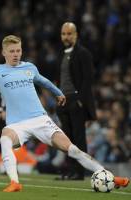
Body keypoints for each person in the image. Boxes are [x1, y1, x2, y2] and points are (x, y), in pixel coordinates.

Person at [0, 35, 129, 192]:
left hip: (41, 119)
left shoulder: (29, 67)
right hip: (18, 124)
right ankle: (15, 182)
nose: (16, 54)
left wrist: (58, 93)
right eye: (12, 51)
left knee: (73, 150)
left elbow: (43, 81)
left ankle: (109, 176)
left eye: (18, 50)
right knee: (5, 138)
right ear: (4, 52)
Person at [55, 22, 97, 180]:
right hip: (63, 100)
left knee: (78, 138)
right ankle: (69, 170)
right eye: (63, 34)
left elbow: (88, 79)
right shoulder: (62, 53)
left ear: (76, 35)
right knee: (66, 139)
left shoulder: (83, 53)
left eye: (69, 33)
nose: (66, 37)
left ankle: (79, 172)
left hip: (75, 100)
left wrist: (80, 101)